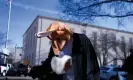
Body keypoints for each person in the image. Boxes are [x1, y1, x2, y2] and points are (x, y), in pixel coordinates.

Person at [29, 22, 100, 80]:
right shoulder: (55, 44)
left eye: (58, 39)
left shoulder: (81, 39)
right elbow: (50, 62)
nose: (56, 43)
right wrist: (37, 70)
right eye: (53, 39)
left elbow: (91, 63)